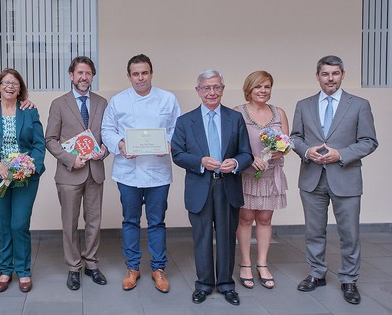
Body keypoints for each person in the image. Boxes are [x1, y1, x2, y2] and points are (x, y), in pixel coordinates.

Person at [290, 55, 378, 305]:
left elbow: (369, 141)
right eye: (325, 74)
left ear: (342, 75)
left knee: (349, 233)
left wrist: (343, 154)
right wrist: (307, 151)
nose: (330, 78)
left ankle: (349, 279)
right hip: (312, 178)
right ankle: (317, 274)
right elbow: (295, 137)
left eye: (335, 74)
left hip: (346, 177)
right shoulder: (304, 105)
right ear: (317, 76)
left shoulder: (359, 104)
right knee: (314, 231)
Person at [171, 70, 253, 306]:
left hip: (228, 187)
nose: (212, 92)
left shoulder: (235, 118)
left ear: (223, 89)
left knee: (227, 237)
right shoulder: (185, 121)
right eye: (206, 88)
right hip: (200, 187)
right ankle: (204, 284)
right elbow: (178, 153)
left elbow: (246, 153)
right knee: (202, 237)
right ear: (198, 91)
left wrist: (236, 163)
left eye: (216, 87)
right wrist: (200, 162)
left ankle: (226, 284)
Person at [101, 54, 181, 293]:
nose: (140, 78)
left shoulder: (168, 99)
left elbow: (178, 127)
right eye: (135, 74)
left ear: (151, 73)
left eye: (144, 73)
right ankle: (132, 267)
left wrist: (168, 143)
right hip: (128, 173)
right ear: (129, 76)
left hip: (158, 173)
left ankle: (158, 268)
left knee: (157, 222)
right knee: (130, 221)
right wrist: (121, 145)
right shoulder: (118, 101)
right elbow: (107, 129)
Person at [0, 68, 45, 294]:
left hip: (25, 178)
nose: (9, 86)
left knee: (19, 224)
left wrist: (28, 167)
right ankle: (5, 269)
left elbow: (38, 144)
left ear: (20, 89)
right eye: (5, 82)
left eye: (14, 83)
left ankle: (23, 270)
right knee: (4, 225)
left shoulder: (29, 112)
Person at [45, 56, 109, 290]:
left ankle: (91, 263)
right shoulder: (59, 104)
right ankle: (74, 267)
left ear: (93, 76)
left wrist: (105, 150)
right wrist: (72, 160)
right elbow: (50, 140)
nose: (84, 77)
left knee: (94, 221)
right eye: (79, 73)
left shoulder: (102, 103)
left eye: (88, 73)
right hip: (69, 174)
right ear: (71, 75)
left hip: (95, 171)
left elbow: (108, 135)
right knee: (69, 223)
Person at [233, 71, 289, 290]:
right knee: (246, 218)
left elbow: (287, 143)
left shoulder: (279, 112)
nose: (263, 91)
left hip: (270, 174)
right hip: (248, 173)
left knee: (265, 219)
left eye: (267, 87)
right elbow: (232, 144)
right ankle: (245, 263)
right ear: (249, 89)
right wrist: (250, 158)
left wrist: (280, 152)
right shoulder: (238, 112)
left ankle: (262, 264)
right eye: (258, 87)